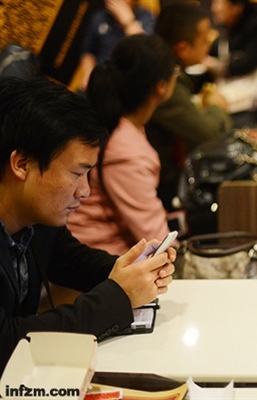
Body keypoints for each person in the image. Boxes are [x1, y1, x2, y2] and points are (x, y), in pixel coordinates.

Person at [0, 77, 175, 375]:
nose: (85, 191)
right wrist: (118, 297)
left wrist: (135, 270)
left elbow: (72, 260)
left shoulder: (36, 219)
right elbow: (7, 342)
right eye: (76, 173)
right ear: (22, 164)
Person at [68, 34, 178, 255]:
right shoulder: (126, 151)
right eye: (175, 71)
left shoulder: (118, 124)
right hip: (103, 261)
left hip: (105, 255)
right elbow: (157, 241)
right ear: (161, 87)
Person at [147, 1, 232, 230]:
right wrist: (216, 107)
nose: (209, 43)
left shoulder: (163, 73)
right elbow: (209, 134)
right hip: (162, 191)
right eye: (204, 39)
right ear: (183, 48)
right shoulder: (164, 84)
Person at [205, 0, 257, 127]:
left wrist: (217, 66)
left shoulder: (256, 29)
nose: (214, 9)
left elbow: (246, 64)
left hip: (251, 106)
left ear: (237, 7)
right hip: (230, 101)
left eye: (220, 3)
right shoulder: (225, 31)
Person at [77, 0, 155, 92]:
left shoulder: (148, 19)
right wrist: (88, 76)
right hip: (99, 81)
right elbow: (88, 53)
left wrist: (128, 22)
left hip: (126, 86)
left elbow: (144, 53)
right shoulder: (99, 17)